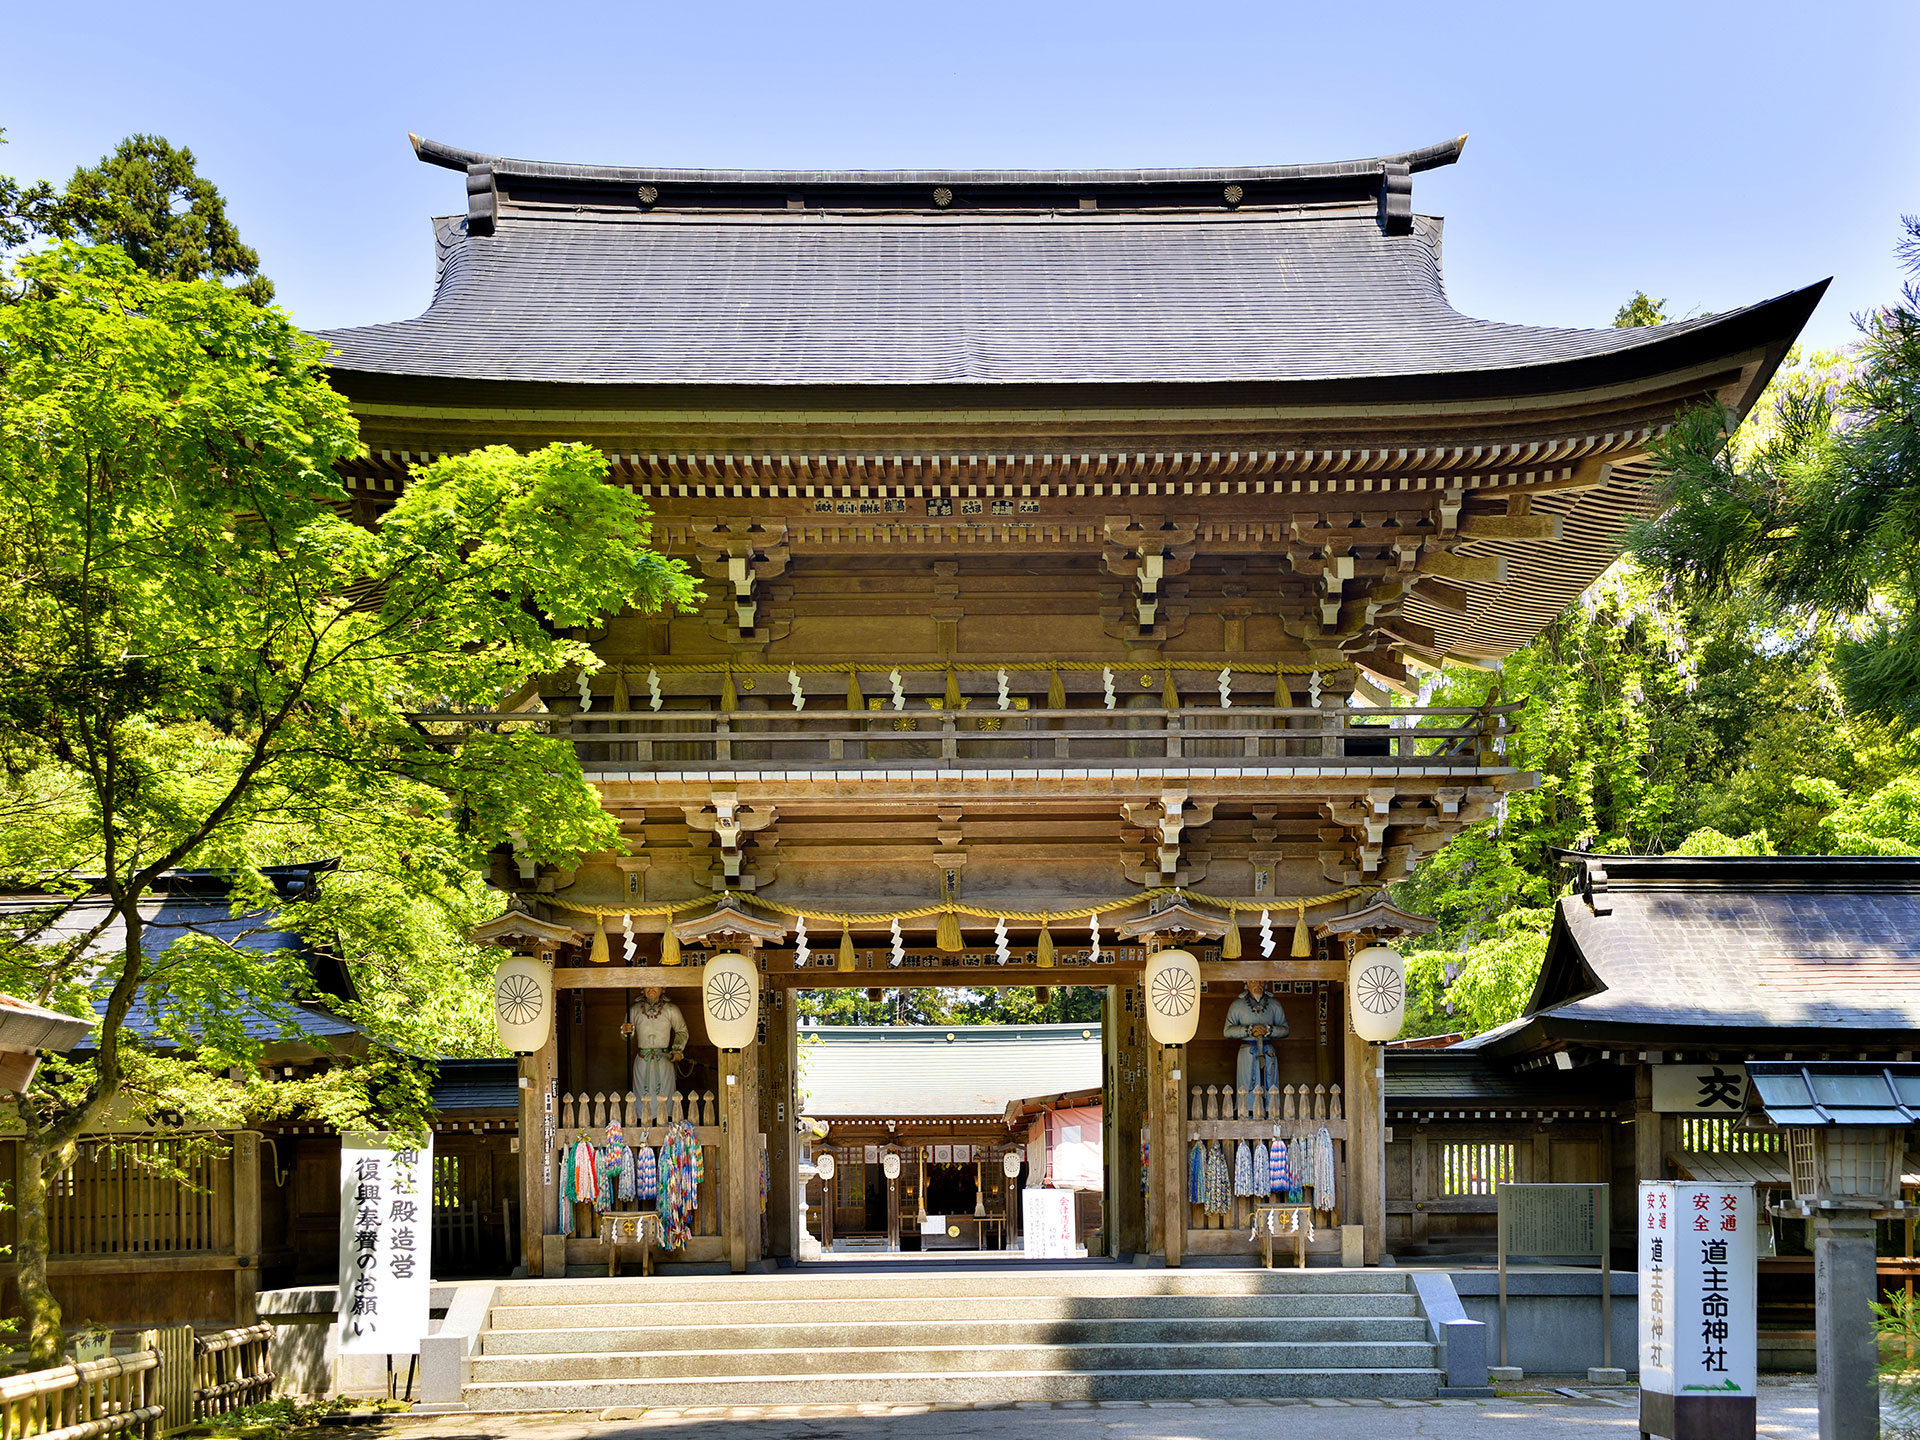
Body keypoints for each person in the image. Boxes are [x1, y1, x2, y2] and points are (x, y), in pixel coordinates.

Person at [621, 986, 688, 1101]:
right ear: (642, 988)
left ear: (662, 988)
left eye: (655, 985)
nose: (651, 989)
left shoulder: (671, 1009)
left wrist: (677, 1050)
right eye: (647, 985)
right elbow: (626, 1036)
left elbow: (682, 1031)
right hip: (643, 1060)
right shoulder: (634, 1010)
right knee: (641, 1098)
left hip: (664, 1060)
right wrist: (626, 1031)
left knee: (665, 1098)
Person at [1223, 980, 1289, 1093]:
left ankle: (1269, 1104)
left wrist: (1269, 1030)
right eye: (1253, 982)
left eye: (1261, 982)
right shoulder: (1237, 1005)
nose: (1258, 985)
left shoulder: (1274, 1004)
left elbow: (1285, 1030)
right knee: (1246, 1088)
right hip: (1247, 1051)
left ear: (1266, 984)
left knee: (1270, 1088)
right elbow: (1227, 1031)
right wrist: (1249, 1030)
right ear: (1247, 983)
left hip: (1268, 1051)